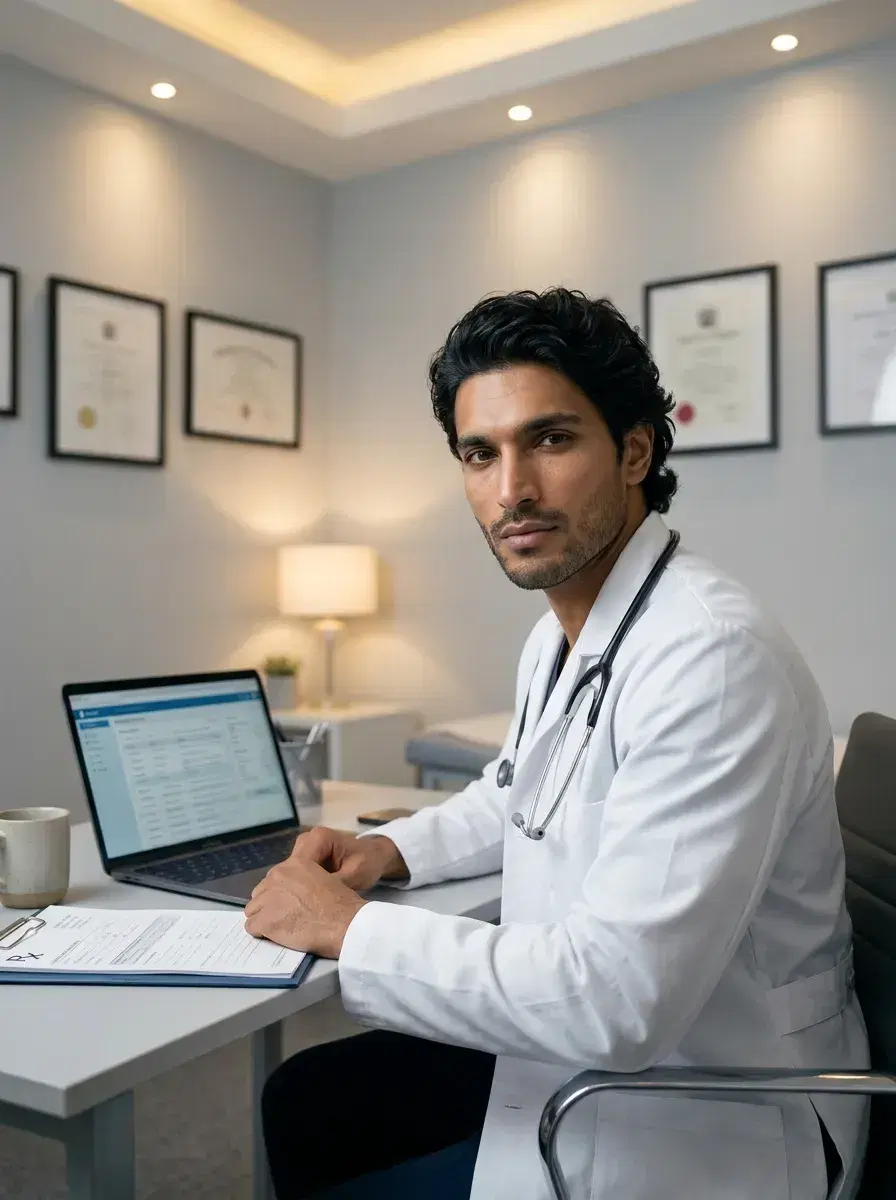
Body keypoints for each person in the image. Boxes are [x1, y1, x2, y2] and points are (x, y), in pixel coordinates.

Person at [247, 288, 869, 1200]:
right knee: (310, 1099)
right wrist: (389, 849)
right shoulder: (568, 630)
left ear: (633, 452)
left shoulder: (709, 655)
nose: (512, 491)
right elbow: (516, 791)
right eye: (479, 454)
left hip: (716, 1106)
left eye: (550, 439)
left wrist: (349, 929)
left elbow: (617, 1001)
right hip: (608, 1065)